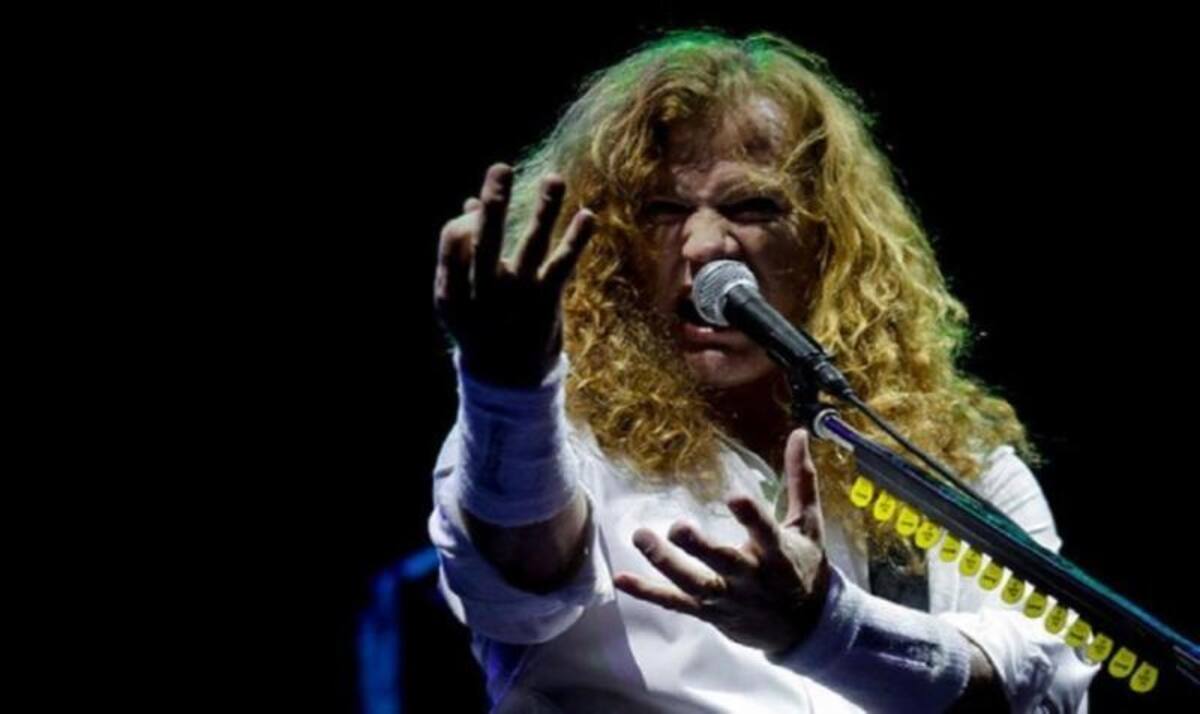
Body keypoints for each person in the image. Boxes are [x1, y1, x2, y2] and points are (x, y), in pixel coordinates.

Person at [429, 30, 1098, 712]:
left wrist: (826, 628)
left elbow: (1047, 680)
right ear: (614, 244)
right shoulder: (553, 436)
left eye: (753, 208)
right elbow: (514, 594)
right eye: (662, 211)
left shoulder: (948, 457)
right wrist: (507, 389)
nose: (705, 246)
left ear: (830, 241)